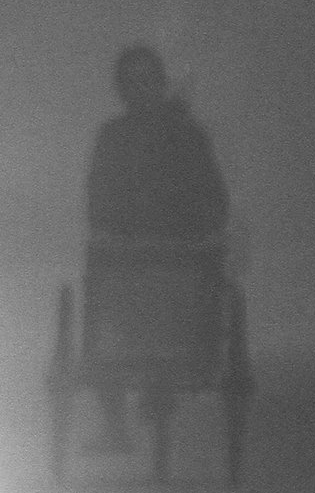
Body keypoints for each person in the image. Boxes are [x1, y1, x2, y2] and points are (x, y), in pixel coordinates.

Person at [82, 44, 229, 452]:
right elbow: (98, 194)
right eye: (131, 83)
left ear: (160, 85)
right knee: (99, 282)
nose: (140, 90)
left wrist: (194, 229)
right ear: (122, 90)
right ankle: (114, 420)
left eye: (147, 81)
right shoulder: (113, 136)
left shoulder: (189, 135)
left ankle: (184, 361)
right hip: (126, 251)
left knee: (204, 280)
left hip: (184, 250)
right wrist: (115, 227)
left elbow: (212, 194)